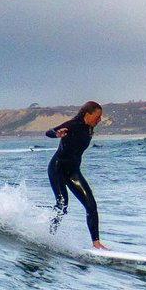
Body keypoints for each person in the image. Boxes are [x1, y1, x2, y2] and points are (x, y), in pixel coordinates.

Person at [45, 102, 106, 248]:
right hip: (57, 168)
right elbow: (49, 131)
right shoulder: (73, 124)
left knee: (91, 204)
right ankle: (48, 236)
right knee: (62, 204)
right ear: (87, 114)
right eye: (97, 117)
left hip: (73, 171)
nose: (100, 120)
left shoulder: (89, 128)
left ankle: (96, 243)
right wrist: (57, 134)